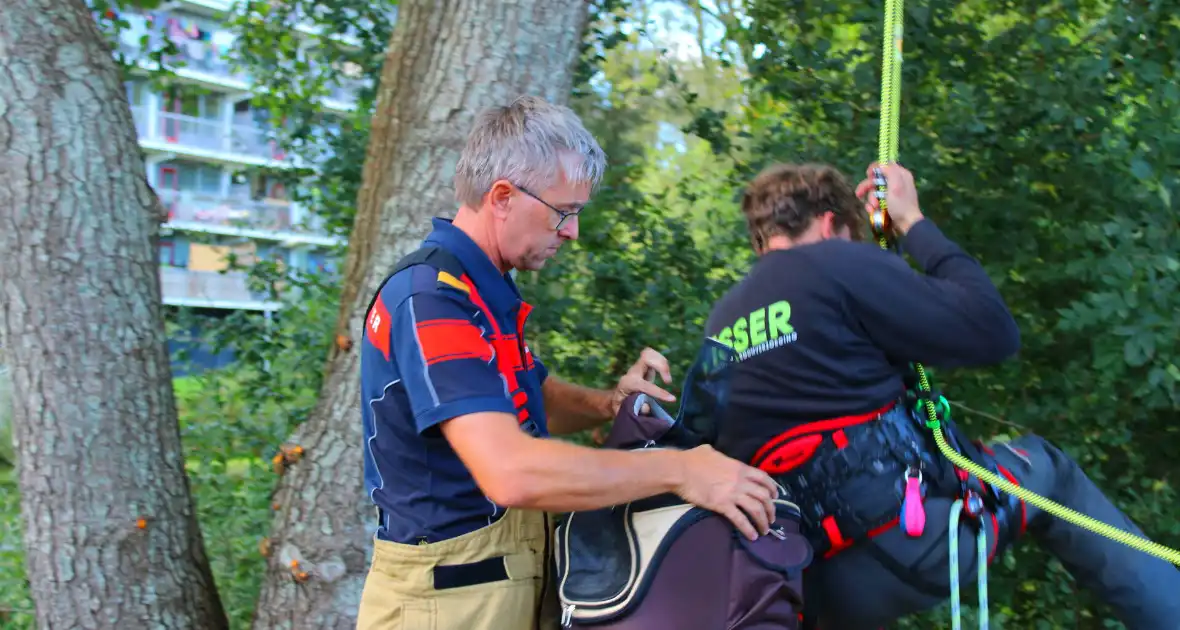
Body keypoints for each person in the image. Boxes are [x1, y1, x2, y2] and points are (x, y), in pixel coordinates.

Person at [356, 95, 780, 630]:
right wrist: (682, 470)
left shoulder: (481, 289)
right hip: (451, 600)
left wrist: (611, 404)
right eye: (564, 212)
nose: (572, 232)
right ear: (503, 196)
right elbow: (510, 471)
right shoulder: (433, 301)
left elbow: (530, 397)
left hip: (495, 579)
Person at [703, 161, 1180, 629]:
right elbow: (993, 331)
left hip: (812, 588)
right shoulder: (835, 263)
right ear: (832, 225)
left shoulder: (719, 328)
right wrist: (911, 221)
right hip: (910, 543)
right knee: (1047, 469)